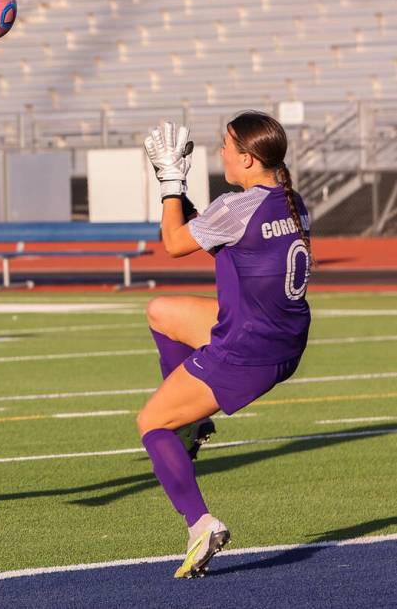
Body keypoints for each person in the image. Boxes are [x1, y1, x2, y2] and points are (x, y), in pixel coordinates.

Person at [138, 111, 312, 578]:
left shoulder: (240, 207)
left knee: (152, 422)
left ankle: (200, 524)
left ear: (249, 159)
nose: (221, 152)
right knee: (161, 312)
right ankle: (194, 428)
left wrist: (170, 180)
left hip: (248, 348)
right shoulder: (291, 200)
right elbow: (214, 229)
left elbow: (174, 242)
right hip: (278, 334)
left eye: (227, 146)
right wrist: (182, 194)